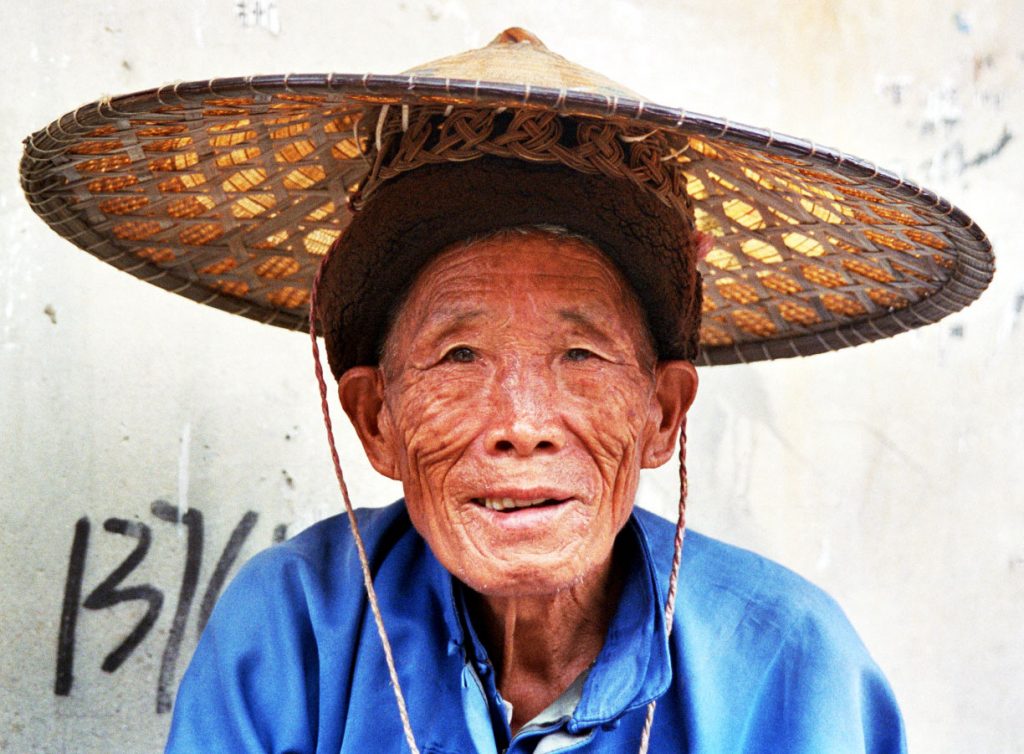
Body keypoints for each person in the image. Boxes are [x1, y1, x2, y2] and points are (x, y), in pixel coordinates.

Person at [21, 27, 992, 754]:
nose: (521, 426)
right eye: (457, 358)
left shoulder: (789, 664)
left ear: (661, 413)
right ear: (375, 419)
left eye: (579, 356)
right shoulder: (292, 633)